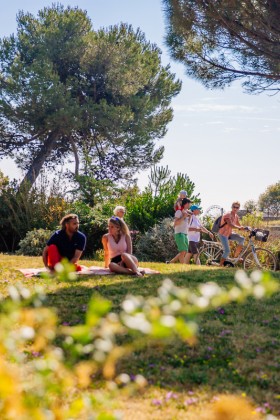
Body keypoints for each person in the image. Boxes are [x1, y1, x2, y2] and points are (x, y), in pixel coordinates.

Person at [218, 201, 245, 266]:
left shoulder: (236, 216)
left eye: (237, 207)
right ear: (231, 207)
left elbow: (239, 225)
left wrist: (247, 228)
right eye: (234, 207)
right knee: (227, 251)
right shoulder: (228, 215)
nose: (235, 208)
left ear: (239, 208)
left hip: (229, 234)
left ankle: (235, 257)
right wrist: (239, 228)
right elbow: (230, 225)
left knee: (241, 239)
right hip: (223, 234)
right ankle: (220, 266)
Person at [167, 198, 192, 264]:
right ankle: (183, 267)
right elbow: (175, 223)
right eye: (190, 203)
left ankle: (171, 262)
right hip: (179, 233)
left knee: (184, 251)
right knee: (183, 251)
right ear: (186, 204)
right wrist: (183, 217)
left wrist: (189, 217)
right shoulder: (179, 212)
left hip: (185, 233)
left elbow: (187, 224)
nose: (190, 205)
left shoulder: (185, 212)